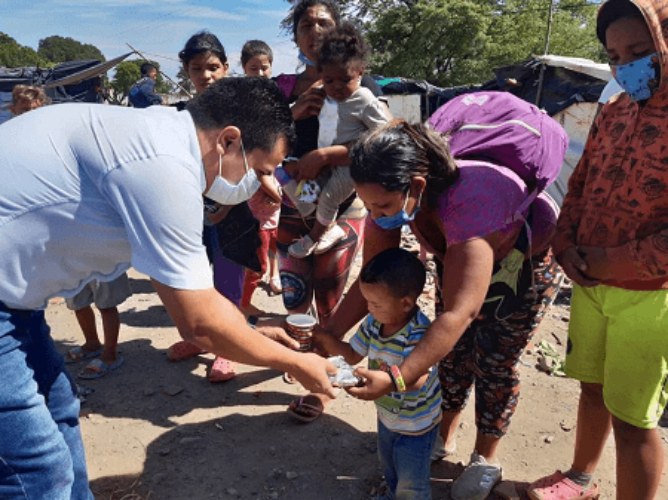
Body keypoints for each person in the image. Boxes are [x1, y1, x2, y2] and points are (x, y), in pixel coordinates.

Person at [0, 76, 337, 499]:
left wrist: (251, 329)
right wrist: (296, 362)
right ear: (228, 141)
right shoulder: (165, 167)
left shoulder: (159, 135)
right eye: (258, 171)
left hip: (16, 304)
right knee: (35, 470)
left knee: (59, 408)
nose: (258, 184)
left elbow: (196, 295)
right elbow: (199, 323)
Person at [316, 120, 564, 500]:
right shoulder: (389, 198)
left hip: (520, 267)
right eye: (368, 206)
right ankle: (441, 435)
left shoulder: (471, 203)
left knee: (495, 361)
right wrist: (327, 333)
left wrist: (397, 379)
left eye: (381, 205)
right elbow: (373, 282)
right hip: (462, 254)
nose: (375, 215)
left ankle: (484, 458)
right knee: (451, 354)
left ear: (417, 186)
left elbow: (459, 314)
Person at [528, 1, 668, 499]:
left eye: (639, 51)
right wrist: (564, 244)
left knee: (633, 419)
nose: (624, 65)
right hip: (589, 280)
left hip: (649, 296)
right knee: (592, 388)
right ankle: (579, 478)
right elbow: (580, 185)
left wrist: (611, 261)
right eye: (614, 56)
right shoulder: (612, 112)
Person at [274, 0, 388, 422]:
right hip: (293, 205)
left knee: (330, 296)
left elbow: (385, 140)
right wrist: (292, 113)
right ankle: (303, 361)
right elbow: (258, 142)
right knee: (294, 294)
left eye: (324, 22)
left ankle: (323, 387)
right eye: (306, 24)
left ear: (337, 29)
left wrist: (325, 156)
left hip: (344, 205)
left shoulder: (361, 83)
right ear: (295, 35)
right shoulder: (283, 87)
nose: (315, 30)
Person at [316, 248, 441, 500]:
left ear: (406, 303)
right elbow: (353, 354)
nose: (369, 309)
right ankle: (393, 494)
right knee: (390, 467)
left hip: (417, 423)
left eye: (375, 304)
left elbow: (419, 379)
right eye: (367, 302)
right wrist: (324, 339)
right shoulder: (374, 322)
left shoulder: (419, 333)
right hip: (387, 416)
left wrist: (388, 383)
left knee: (412, 481)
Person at [165, 31, 246, 383]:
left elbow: (252, 161)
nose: (206, 75)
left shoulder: (244, 112)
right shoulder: (181, 115)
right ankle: (199, 338)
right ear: (186, 71)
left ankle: (227, 349)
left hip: (234, 212)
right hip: (190, 212)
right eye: (197, 68)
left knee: (229, 281)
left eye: (213, 67)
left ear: (226, 67)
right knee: (194, 280)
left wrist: (227, 202)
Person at [280, 23, 390, 259]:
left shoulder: (364, 98)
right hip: (326, 164)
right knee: (291, 179)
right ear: (321, 75)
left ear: (360, 72)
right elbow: (283, 116)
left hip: (349, 166)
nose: (337, 86)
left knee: (329, 197)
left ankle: (315, 236)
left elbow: (384, 133)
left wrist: (330, 155)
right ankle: (328, 224)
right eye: (330, 80)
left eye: (345, 79)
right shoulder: (322, 94)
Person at [240, 40, 283, 305]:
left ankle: (275, 273)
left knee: (277, 235)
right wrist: (268, 185)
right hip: (257, 180)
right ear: (244, 68)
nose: (260, 73)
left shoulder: (277, 96)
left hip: (278, 174)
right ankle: (244, 302)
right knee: (259, 241)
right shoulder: (241, 101)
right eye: (253, 68)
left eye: (264, 68)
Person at [64, 274, 131, 379]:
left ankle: (110, 354)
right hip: (72, 264)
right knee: (77, 301)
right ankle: (92, 343)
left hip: (101, 264)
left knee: (106, 303)